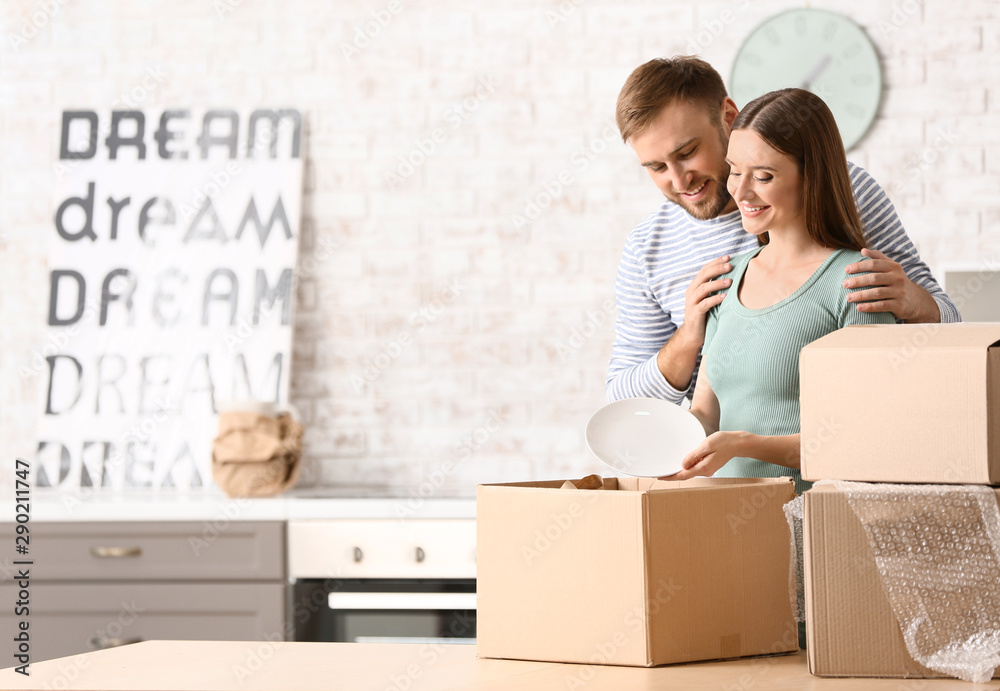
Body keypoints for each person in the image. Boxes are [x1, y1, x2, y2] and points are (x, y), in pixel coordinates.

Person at [606, 57, 960, 406]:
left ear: (728, 117)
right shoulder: (646, 249)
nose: (679, 179)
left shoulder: (845, 191)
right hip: (722, 458)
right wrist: (689, 336)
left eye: (687, 152)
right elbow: (622, 402)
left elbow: (951, 329)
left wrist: (914, 302)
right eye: (656, 167)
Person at [662, 88, 895, 493]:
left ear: (812, 175)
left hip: (815, 525)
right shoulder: (726, 278)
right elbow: (706, 413)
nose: (741, 191)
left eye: (764, 176)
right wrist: (664, 443)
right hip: (722, 522)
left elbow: (866, 439)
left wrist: (744, 445)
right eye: (735, 170)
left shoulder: (855, 283)